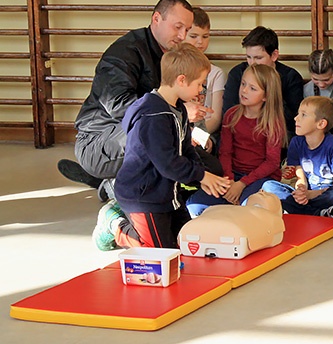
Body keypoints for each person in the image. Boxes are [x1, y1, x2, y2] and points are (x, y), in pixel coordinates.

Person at [58, 0, 201, 198]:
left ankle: (112, 180)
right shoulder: (124, 52)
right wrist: (176, 113)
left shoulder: (170, 55)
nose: (182, 35)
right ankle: (117, 185)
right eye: (177, 27)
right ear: (156, 18)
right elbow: (118, 104)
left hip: (135, 135)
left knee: (208, 165)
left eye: (186, 30)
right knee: (160, 137)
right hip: (99, 141)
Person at [92, 43, 231, 251]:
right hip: (142, 197)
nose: (201, 89)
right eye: (200, 84)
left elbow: (187, 150)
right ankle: (114, 223)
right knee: (160, 253)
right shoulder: (153, 116)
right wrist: (202, 176)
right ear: (181, 80)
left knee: (186, 243)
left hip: (166, 195)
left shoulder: (179, 109)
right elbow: (169, 163)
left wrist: (203, 175)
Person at [187, 64, 287, 216]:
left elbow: (272, 162)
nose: (244, 90)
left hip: (259, 178)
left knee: (252, 207)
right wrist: (230, 181)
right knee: (193, 206)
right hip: (232, 176)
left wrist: (242, 184)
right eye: (243, 84)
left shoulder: (272, 122)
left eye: (253, 88)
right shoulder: (231, 114)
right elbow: (225, 152)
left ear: (266, 96)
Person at [262, 96, 333, 215]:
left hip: (326, 194)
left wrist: (311, 195)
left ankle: (302, 210)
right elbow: (301, 178)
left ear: (321, 124)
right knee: (268, 185)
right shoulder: (296, 142)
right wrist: (301, 190)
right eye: (298, 114)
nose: (296, 118)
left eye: (303, 115)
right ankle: (317, 213)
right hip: (309, 194)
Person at [222, 26, 304, 136]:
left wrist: (271, 90)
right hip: (243, 134)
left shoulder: (291, 78)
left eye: (258, 58)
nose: (252, 63)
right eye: (249, 57)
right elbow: (229, 114)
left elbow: (294, 121)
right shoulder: (237, 74)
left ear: (274, 55)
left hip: (276, 135)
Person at [184, 6, 226, 175]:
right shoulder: (172, 68)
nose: (200, 42)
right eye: (193, 36)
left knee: (213, 166)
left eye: (205, 36)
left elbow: (215, 117)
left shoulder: (216, 73)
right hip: (178, 132)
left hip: (205, 133)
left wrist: (200, 135)